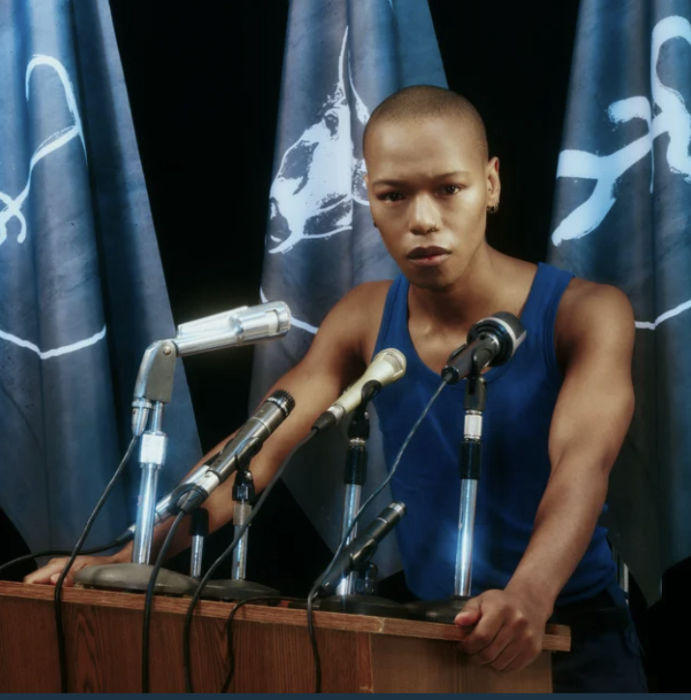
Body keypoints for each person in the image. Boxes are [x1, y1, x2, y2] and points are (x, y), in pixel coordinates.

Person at [25, 85, 646, 691]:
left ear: (491, 184)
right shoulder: (364, 315)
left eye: (448, 189)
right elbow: (258, 449)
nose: (422, 220)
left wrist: (530, 594)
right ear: (368, 198)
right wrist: (126, 557)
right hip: (434, 638)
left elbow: (582, 466)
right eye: (394, 195)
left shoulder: (586, 313)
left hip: (567, 631)